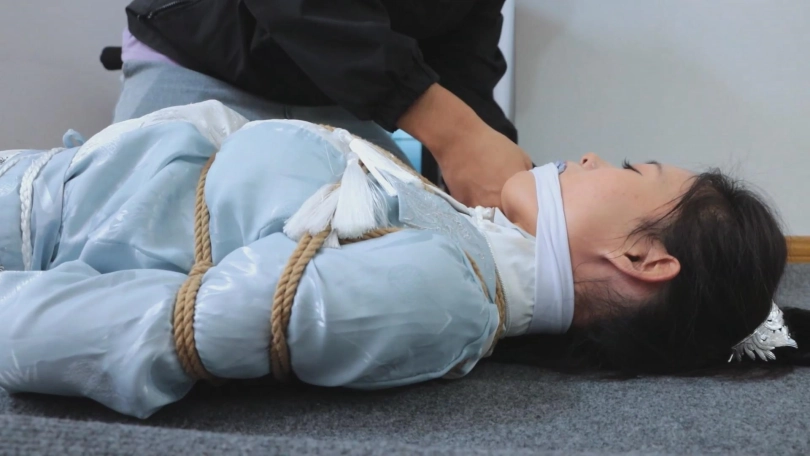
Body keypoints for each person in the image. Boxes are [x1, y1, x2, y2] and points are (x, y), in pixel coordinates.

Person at [0, 101, 806, 420]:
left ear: (643, 256)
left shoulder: (441, 295)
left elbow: (154, 331)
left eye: (629, 170)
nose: (592, 157)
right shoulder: (461, 252)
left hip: (34, 222)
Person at [114, 0, 533, 209]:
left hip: (338, 92)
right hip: (202, 54)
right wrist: (458, 136)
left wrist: (493, 152)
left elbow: (462, 54)